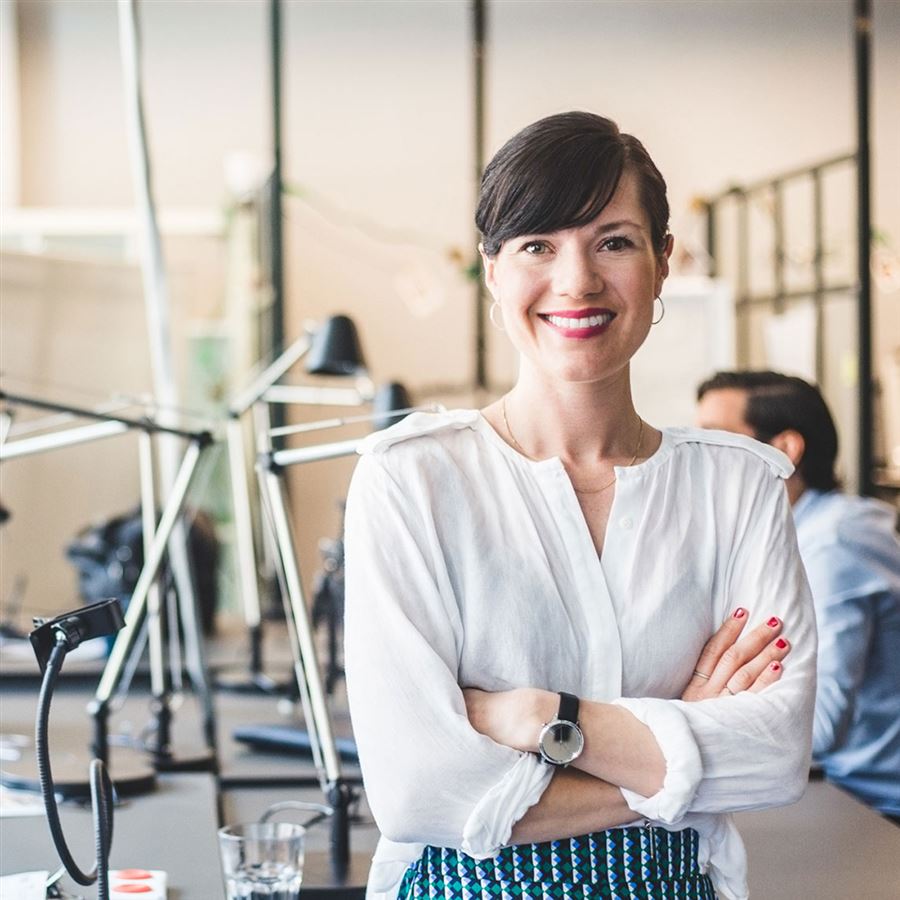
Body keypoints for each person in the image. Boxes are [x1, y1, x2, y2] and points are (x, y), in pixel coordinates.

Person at [344, 112, 816, 900]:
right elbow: (418, 790)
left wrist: (539, 718)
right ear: (493, 270)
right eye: (538, 244)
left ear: (662, 263)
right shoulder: (411, 481)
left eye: (614, 241)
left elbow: (774, 756)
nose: (577, 280)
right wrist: (681, 745)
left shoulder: (740, 487)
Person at [696, 370, 900, 821]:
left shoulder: (835, 541)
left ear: (786, 450)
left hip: (870, 805)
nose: (700, 455)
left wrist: (697, 713)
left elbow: (820, 725)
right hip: (831, 792)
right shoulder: (785, 533)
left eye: (716, 439)